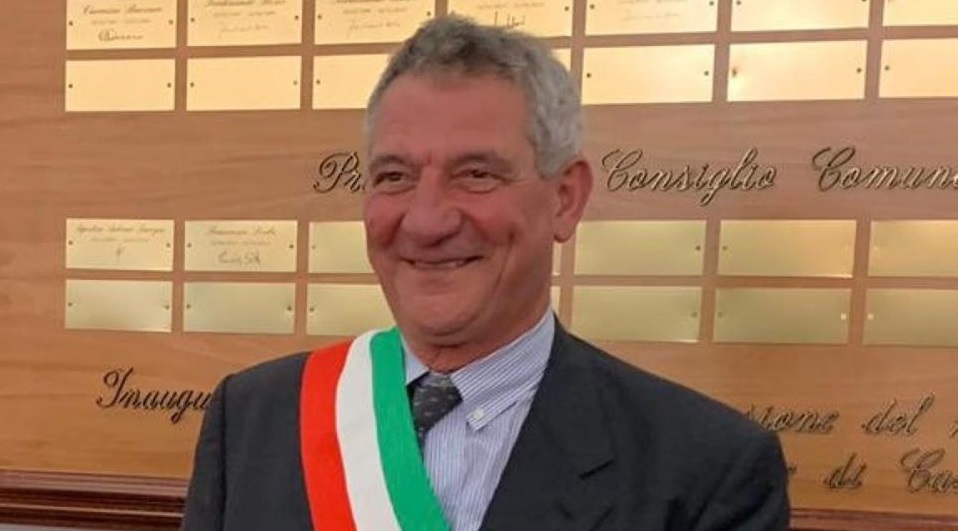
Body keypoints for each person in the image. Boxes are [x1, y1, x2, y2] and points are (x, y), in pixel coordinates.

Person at [181, 15, 790, 531]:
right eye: (394, 176)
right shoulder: (254, 419)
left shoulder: (707, 472)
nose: (426, 220)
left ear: (565, 198)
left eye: (476, 174)